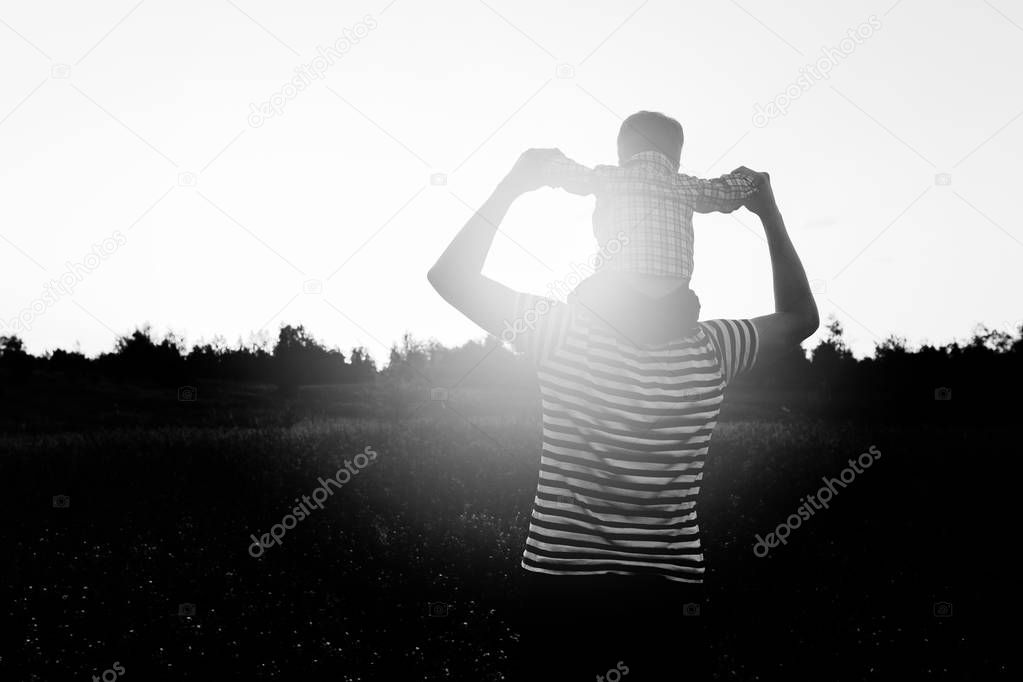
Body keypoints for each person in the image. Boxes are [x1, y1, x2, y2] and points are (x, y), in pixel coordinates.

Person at [427, 148, 818, 679]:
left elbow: (449, 277)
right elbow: (800, 317)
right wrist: (767, 210)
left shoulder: (558, 332)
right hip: (668, 595)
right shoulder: (714, 347)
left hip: (560, 588)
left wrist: (513, 186)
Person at [539, 110, 760, 284]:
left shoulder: (609, 176)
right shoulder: (687, 186)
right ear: (676, 160)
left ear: (622, 155)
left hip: (618, 296)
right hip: (675, 304)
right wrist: (748, 179)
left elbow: (570, 174)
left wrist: (553, 157)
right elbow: (728, 192)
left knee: (582, 298)